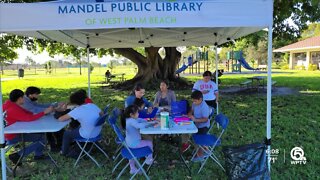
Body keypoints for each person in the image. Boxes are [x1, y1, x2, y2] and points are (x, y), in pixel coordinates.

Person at [3, 89, 54, 165]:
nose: (24, 99)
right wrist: (44, 112)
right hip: (11, 136)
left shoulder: (9, 103)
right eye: (23, 97)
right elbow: (28, 118)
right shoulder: (13, 109)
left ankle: (38, 155)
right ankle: (18, 155)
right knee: (43, 138)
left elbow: (25, 113)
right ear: (20, 98)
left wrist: (38, 113)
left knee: (40, 134)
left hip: (9, 132)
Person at [58, 90, 103, 158]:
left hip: (87, 135)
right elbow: (102, 114)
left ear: (74, 102)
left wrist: (62, 108)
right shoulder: (93, 105)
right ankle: (76, 146)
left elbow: (61, 119)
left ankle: (64, 152)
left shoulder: (78, 110)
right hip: (97, 132)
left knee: (67, 133)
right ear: (85, 98)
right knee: (76, 127)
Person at [22, 86, 64, 152]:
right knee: (48, 129)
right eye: (36, 95)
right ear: (30, 95)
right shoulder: (25, 102)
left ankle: (56, 145)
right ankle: (54, 146)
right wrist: (51, 109)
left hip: (32, 120)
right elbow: (36, 110)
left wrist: (54, 104)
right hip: (27, 124)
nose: (38, 96)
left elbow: (40, 106)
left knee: (49, 127)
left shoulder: (29, 99)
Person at [121, 105, 156, 174]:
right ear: (131, 114)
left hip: (128, 143)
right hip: (135, 143)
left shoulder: (129, 119)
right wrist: (150, 123)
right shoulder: (131, 121)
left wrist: (145, 120)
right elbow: (140, 125)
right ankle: (149, 160)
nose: (138, 114)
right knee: (149, 143)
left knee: (131, 155)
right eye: (137, 113)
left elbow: (139, 120)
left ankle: (132, 168)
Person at [188, 90, 211, 161]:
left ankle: (200, 155)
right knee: (191, 134)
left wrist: (195, 120)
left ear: (200, 99)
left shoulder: (204, 107)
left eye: (195, 101)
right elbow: (192, 110)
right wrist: (190, 114)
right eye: (193, 101)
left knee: (197, 138)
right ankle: (203, 148)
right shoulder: (194, 103)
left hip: (203, 126)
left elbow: (205, 119)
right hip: (196, 124)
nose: (194, 102)